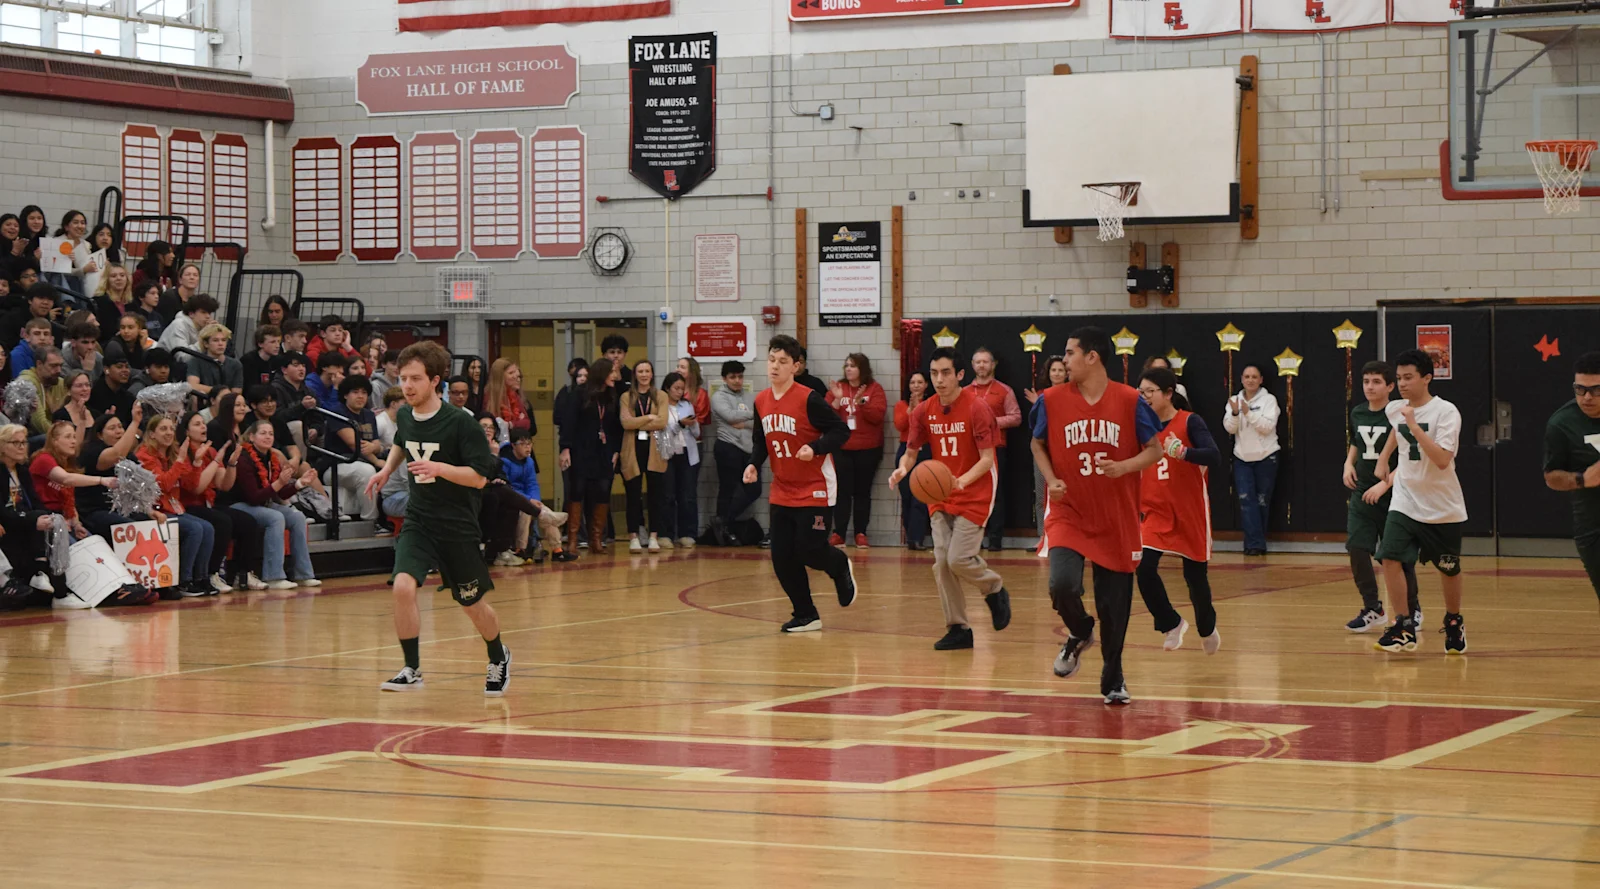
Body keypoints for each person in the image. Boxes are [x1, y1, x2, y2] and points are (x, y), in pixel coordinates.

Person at [363, 340, 510, 696]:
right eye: (404, 378)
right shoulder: (407, 415)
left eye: (416, 379)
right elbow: (403, 440)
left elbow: (478, 478)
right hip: (420, 518)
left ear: (436, 381)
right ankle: (411, 668)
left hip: (457, 524)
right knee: (402, 586)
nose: (408, 386)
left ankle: (498, 655)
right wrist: (386, 468)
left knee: (471, 603)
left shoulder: (463, 424)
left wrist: (441, 468)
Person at [1032, 327, 1164, 705]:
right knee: (1062, 585)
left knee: (1114, 606)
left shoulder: (1129, 400)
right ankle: (1079, 630)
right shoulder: (1052, 400)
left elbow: (1154, 450)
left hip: (1114, 516)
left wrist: (1124, 467)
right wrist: (1051, 477)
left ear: (1093, 357)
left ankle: (1114, 677)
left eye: (1071, 353)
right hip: (1069, 512)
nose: (1064, 359)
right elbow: (1036, 443)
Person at [888, 347, 1010, 650]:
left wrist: (960, 481)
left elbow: (986, 459)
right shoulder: (924, 410)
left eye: (945, 373)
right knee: (942, 562)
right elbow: (912, 452)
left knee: (958, 559)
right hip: (941, 494)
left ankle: (993, 587)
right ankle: (959, 628)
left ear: (959, 375)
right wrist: (902, 470)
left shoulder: (977, 408)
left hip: (976, 489)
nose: (939, 379)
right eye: (934, 373)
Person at [746, 335, 857, 633]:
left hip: (815, 488)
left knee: (809, 550)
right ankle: (806, 613)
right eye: (771, 360)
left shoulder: (809, 398)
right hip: (782, 489)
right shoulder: (760, 401)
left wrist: (817, 448)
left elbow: (840, 432)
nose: (775, 366)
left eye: (782, 361)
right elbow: (761, 441)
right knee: (781, 557)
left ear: (795, 366)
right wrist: (754, 464)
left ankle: (839, 566)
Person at [1372, 349, 1468, 654]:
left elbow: (1441, 459)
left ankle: (1454, 621)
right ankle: (1403, 626)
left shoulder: (1446, 412)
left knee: (1448, 567)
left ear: (1427, 378)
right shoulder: (1396, 409)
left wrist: (1414, 426)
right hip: (1405, 499)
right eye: (1398, 378)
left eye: (1408, 377)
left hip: (1442, 506)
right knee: (1389, 556)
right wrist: (1384, 457)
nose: (1402, 383)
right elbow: (1395, 431)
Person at [1134, 367, 1222, 654]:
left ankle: (1207, 626)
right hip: (1155, 512)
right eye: (1141, 391)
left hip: (1189, 511)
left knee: (1195, 579)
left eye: (1150, 391)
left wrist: (1183, 453)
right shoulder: (1139, 426)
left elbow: (1214, 455)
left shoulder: (1189, 422)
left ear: (1168, 393)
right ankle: (1170, 622)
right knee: (1143, 567)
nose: (1144, 396)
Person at [1342, 360, 1421, 632]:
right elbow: (1356, 441)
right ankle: (1373, 608)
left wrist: (1384, 485)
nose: (1370, 387)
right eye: (1366, 382)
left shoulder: (1400, 413)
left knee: (1396, 553)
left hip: (1394, 492)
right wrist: (1348, 463)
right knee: (1356, 547)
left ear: (1390, 386)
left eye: (1377, 382)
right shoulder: (1358, 413)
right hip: (1363, 490)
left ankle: (1412, 609)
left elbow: (1409, 456)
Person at [177, 410, 262, 593]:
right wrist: (216, 461)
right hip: (188, 505)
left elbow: (224, 485)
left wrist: (231, 464)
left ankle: (244, 574)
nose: (203, 427)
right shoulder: (182, 452)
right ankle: (212, 573)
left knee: (248, 522)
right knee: (222, 522)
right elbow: (197, 487)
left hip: (208, 503)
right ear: (186, 431)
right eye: (197, 424)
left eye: (203, 423)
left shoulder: (211, 450)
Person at [232, 418, 320, 591]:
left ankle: (303, 574)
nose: (268, 437)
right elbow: (253, 497)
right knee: (276, 517)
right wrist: (279, 482)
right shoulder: (244, 458)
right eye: (263, 433)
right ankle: (273, 576)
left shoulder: (272, 458)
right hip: (238, 505)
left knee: (297, 517)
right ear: (251, 436)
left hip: (262, 504)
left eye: (271, 434)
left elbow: (278, 493)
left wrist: (300, 483)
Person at [137, 414, 217, 597]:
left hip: (173, 508)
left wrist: (196, 462)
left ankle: (201, 578)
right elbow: (163, 484)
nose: (169, 433)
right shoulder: (144, 456)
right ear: (151, 434)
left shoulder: (173, 454)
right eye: (163, 429)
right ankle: (184, 580)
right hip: (155, 510)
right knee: (195, 528)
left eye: (171, 429)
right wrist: (180, 460)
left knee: (208, 528)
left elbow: (190, 485)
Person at [1545, 352, 1600, 601]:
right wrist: (1583, 479)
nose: (1587, 397)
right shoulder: (1561, 423)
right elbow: (1551, 476)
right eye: (1580, 389)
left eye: (1596, 390)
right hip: (1593, 527)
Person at [823, 353, 888, 548]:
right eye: (846, 365)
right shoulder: (838, 388)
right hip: (842, 448)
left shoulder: (874, 389)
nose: (848, 369)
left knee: (862, 492)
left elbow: (878, 416)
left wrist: (861, 403)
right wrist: (835, 401)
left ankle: (861, 533)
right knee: (842, 492)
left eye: (853, 365)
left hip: (868, 448)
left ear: (863, 369)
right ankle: (839, 533)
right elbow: (825, 417)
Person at [559, 358, 623, 554]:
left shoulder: (611, 396)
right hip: (581, 450)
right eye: (612, 371)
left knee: (603, 491)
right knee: (577, 492)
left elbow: (615, 428)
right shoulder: (579, 394)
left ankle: (596, 538)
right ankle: (573, 539)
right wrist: (565, 448)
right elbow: (568, 423)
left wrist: (616, 450)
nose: (615, 375)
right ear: (602, 373)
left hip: (603, 452)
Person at [1222, 363, 1281, 556]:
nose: (1250, 380)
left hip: (1266, 456)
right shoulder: (1233, 400)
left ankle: (1257, 542)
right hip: (1242, 457)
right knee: (1246, 501)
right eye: (1247, 376)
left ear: (1261, 380)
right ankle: (1254, 544)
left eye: (1254, 377)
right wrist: (1237, 413)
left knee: (1262, 501)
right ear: (1241, 379)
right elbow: (1230, 428)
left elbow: (1267, 427)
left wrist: (1248, 412)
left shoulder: (1269, 400)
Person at [966, 347, 1022, 552]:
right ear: (972, 365)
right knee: (971, 495)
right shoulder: (964, 393)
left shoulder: (1004, 390)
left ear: (993, 364)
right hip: (970, 451)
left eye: (985, 362)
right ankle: (973, 538)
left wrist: (990, 422)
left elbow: (1016, 417)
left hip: (995, 449)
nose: (982, 365)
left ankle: (995, 539)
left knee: (995, 495)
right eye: (978, 362)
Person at [29, 421, 115, 548]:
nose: (74, 441)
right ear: (54, 441)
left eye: (74, 437)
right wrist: (101, 480)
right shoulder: (43, 459)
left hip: (64, 518)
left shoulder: (67, 464)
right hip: (46, 518)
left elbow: (69, 499)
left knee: (97, 547)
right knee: (81, 552)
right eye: (68, 437)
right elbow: (66, 479)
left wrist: (77, 524)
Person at [76, 406, 153, 543]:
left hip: (121, 509)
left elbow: (138, 488)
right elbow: (116, 455)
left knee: (149, 523)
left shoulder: (129, 456)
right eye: (112, 428)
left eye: (120, 427)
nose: (118, 431)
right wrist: (135, 422)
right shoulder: (91, 451)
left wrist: (150, 511)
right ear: (100, 435)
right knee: (129, 527)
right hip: (94, 511)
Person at [0, 423, 61, 597]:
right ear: (2, 447)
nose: (21, 447)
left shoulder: (22, 472)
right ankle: (39, 574)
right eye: (15, 443)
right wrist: (32, 519)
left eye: (24, 442)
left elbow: (35, 501)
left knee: (49, 520)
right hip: (7, 520)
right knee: (36, 519)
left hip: (22, 517)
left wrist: (48, 517)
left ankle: (58, 589)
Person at [620, 359, 668, 553]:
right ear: (635, 374)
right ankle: (633, 536)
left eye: (647, 371)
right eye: (640, 371)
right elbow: (626, 423)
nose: (644, 374)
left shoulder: (660, 396)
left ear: (652, 374)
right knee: (633, 494)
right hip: (632, 449)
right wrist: (649, 418)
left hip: (654, 450)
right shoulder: (626, 396)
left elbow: (662, 422)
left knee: (655, 495)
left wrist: (637, 422)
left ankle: (654, 535)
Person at [710, 359, 760, 545]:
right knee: (728, 489)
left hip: (748, 449)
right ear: (725, 379)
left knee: (754, 489)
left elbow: (759, 421)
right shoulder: (719, 397)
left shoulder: (749, 396)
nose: (737, 381)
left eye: (740, 377)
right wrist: (752, 415)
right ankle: (725, 530)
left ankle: (722, 521)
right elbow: (730, 417)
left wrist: (744, 421)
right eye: (733, 377)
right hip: (728, 447)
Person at [324, 375, 384, 526]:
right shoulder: (337, 412)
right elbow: (355, 445)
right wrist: (377, 460)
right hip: (336, 465)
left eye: (364, 393)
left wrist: (374, 447)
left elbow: (376, 443)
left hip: (363, 461)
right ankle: (370, 521)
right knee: (367, 471)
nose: (360, 396)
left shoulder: (368, 414)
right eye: (355, 392)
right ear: (345, 394)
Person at [660, 371, 702, 548]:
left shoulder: (687, 405)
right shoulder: (661, 407)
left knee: (688, 495)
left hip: (687, 452)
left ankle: (688, 533)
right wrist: (679, 424)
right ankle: (666, 534)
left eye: (682, 389)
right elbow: (663, 432)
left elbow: (697, 433)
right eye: (676, 388)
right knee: (668, 494)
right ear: (667, 388)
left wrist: (693, 424)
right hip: (668, 453)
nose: (679, 392)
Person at [1026, 355, 1068, 530]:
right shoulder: (1042, 396)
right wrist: (1039, 404)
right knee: (1041, 493)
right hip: (1043, 451)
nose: (1057, 374)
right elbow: (1036, 427)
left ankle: (1065, 533)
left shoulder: (1073, 394)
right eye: (1054, 370)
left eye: (1060, 370)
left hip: (1065, 451)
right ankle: (1043, 536)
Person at [893, 371, 934, 550]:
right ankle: (910, 537)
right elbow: (900, 426)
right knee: (907, 496)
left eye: (920, 382)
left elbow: (928, 427)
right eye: (912, 382)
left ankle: (917, 538)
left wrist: (919, 409)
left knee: (921, 497)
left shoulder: (932, 404)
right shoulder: (901, 405)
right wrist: (910, 410)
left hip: (925, 450)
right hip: (906, 449)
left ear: (926, 385)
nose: (916, 385)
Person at [187, 322, 243, 401]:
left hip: (227, 402)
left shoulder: (235, 364)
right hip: (205, 399)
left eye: (223, 340)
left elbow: (236, 392)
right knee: (195, 396)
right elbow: (192, 385)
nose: (221, 344)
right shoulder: (195, 361)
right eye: (216, 340)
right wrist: (220, 391)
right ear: (206, 344)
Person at [21, 346, 68, 437]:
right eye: (53, 366)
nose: (59, 370)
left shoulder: (60, 383)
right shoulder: (27, 384)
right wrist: (63, 436)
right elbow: (39, 424)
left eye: (60, 365)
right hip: (30, 436)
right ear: (39, 364)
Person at [484, 357, 536, 440]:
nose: (516, 377)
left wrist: (510, 425)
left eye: (517, 374)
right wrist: (518, 421)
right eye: (511, 373)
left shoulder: (516, 397)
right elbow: (495, 425)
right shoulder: (490, 398)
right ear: (500, 376)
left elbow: (527, 423)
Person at [89, 347, 136, 425]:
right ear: (106, 369)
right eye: (119, 367)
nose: (125, 370)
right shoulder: (93, 393)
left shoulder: (128, 397)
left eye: (127, 367)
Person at [90, 259, 132, 337]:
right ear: (107, 280)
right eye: (113, 276)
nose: (118, 278)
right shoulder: (99, 302)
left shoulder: (131, 302)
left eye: (122, 275)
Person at [51, 370, 94, 443]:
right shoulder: (60, 415)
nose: (85, 389)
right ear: (68, 391)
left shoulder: (95, 413)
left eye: (87, 385)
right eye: (79, 386)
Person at [241, 324, 282, 393]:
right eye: (273, 342)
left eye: (278, 341)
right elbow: (249, 388)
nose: (277, 346)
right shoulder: (248, 361)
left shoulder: (278, 360)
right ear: (260, 344)